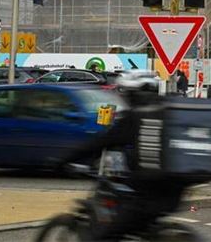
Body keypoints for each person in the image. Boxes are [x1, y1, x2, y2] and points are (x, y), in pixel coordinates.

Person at [61, 72, 191, 239]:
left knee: (107, 234)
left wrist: (66, 159)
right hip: (175, 192)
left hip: (146, 194)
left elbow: (100, 143)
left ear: (131, 94)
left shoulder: (135, 117)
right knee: (142, 229)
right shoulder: (170, 114)